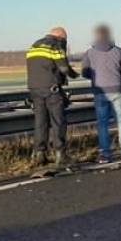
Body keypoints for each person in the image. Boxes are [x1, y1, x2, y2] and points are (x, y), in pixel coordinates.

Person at [26, 27, 79, 166]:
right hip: (52, 89)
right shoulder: (55, 46)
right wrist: (74, 74)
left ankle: (39, 154)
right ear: (61, 37)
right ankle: (60, 153)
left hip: (35, 90)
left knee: (40, 122)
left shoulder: (34, 45)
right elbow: (64, 68)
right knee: (58, 121)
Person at [82, 24, 121, 164]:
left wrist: (96, 77)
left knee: (102, 123)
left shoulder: (90, 53)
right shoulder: (119, 51)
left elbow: (85, 72)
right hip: (117, 90)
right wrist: (118, 75)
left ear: (96, 36)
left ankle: (105, 154)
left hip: (100, 91)